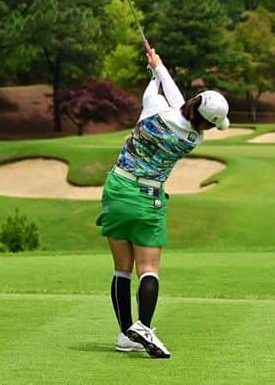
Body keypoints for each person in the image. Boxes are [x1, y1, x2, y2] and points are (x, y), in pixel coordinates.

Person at [97, 39, 230, 358]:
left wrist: (155, 73)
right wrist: (158, 67)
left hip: (116, 188)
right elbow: (181, 106)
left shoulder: (153, 109)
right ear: (208, 123)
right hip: (148, 199)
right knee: (149, 268)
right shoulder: (193, 138)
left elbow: (164, 97)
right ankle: (143, 325)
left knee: (122, 269)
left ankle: (126, 333)